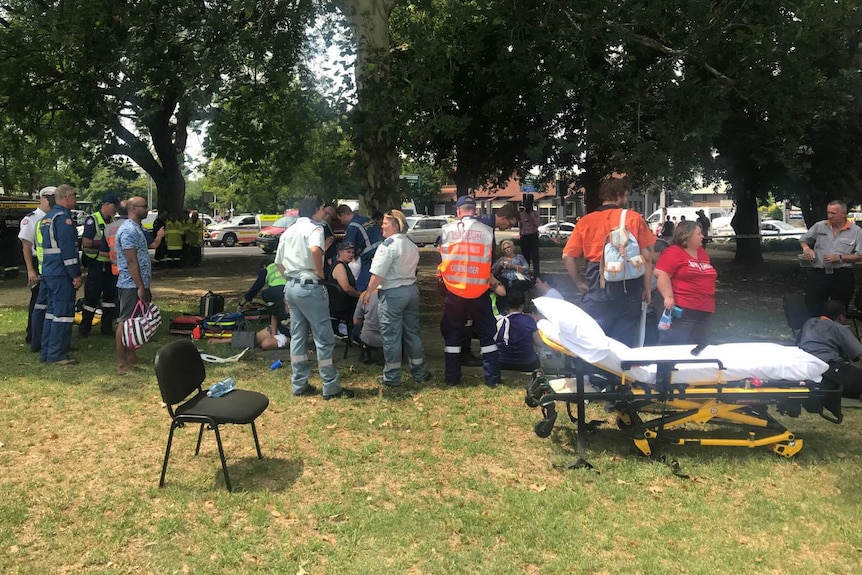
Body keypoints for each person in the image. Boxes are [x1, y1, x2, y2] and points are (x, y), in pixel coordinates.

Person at [562, 172, 654, 347]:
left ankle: (594, 373)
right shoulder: (634, 218)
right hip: (629, 286)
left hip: (597, 284)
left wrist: (579, 282)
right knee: (623, 341)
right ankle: (617, 374)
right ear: (619, 196)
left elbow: (567, 256)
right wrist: (647, 288)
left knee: (594, 339)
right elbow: (647, 257)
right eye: (626, 196)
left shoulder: (586, 221)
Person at [277, 195, 353, 399]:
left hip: (292, 287)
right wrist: (319, 272)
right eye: (323, 210)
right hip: (310, 287)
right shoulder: (315, 229)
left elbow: (278, 263)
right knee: (324, 338)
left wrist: (292, 277)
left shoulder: (289, 230)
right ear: (316, 210)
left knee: (298, 337)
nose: (325, 214)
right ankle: (331, 386)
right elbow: (314, 249)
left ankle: (299, 383)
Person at [438, 195, 501, 387]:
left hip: (454, 290)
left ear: (458, 211)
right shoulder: (487, 231)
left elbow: (443, 257)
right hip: (479, 289)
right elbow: (489, 258)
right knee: (486, 333)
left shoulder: (447, 230)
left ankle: (452, 378)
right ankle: (492, 379)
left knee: (453, 334)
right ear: (475, 210)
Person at [362, 210, 429, 387]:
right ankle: (420, 372)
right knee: (412, 334)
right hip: (411, 291)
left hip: (393, 294)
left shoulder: (388, 246)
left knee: (391, 336)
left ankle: (391, 377)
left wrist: (369, 292)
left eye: (385, 223)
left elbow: (377, 274)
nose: (382, 226)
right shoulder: (411, 244)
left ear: (395, 226)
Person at [39, 184, 83, 365]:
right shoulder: (63, 218)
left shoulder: (47, 218)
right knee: (63, 313)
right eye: (75, 196)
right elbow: (68, 249)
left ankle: (47, 351)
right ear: (67, 197)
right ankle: (57, 354)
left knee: (51, 312)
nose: (76, 200)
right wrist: (75, 274)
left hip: (49, 271)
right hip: (61, 273)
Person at [653, 220, 717, 345]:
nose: (702, 236)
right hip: (682, 308)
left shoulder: (702, 253)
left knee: (699, 345)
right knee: (674, 344)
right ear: (687, 236)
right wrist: (668, 297)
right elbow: (661, 273)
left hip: (704, 308)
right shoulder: (673, 252)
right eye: (698, 234)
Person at [799, 200, 862, 316]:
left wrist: (840, 257)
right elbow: (804, 240)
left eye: (834, 213)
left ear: (844, 213)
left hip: (841, 275)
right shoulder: (820, 226)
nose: (830, 216)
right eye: (828, 213)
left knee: (837, 308)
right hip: (819, 273)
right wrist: (806, 249)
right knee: (812, 305)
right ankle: (814, 331)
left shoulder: (856, 232)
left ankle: (834, 331)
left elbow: (860, 256)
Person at [114, 196, 155, 375]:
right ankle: (122, 363)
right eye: (144, 206)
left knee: (134, 322)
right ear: (132, 209)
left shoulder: (137, 228)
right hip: (130, 284)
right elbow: (131, 261)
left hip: (138, 283)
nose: (147, 209)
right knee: (125, 322)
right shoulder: (129, 230)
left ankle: (131, 355)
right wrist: (140, 286)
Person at [798, 300, 862, 399]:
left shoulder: (809, 323)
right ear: (841, 316)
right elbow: (859, 354)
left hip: (805, 366)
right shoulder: (838, 328)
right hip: (829, 366)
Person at [79, 193, 120, 337]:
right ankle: (84, 329)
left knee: (110, 298)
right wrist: (104, 243)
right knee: (92, 297)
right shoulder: (93, 220)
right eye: (114, 207)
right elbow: (86, 242)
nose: (115, 210)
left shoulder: (114, 221)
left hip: (110, 265)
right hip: (96, 263)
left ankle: (107, 328)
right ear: (106, 204)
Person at [18, 186, 54, 347]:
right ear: (42, 198)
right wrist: (30, 270)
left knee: (50, 301)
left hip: (50, 263)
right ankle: (32, 335)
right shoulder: (31, 218)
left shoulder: (54, 217)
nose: (51, 201)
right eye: (49, 198)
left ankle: (45, 335)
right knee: (37, 300)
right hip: (36, 263)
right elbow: (26, 246)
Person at [336, 204, 383, 291]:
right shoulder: (367, 220)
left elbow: (348, 247)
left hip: (370, 259)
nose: (341, 223)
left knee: (362, 288)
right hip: (382, 254)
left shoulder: (352, 227)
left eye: (340, 219)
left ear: (343, 215)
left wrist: (335, 260)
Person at [495, 291, 543, 372]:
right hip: (527, 363)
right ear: (522, 305)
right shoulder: (529, 320)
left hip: (502, 362)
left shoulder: (499, 319)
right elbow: (539, 343)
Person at [242, 260, 288, 336]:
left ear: (264, 266)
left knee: (266, 295)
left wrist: (241, 304)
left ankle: (275, 320)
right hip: (289, 290)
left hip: (275, 292)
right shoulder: (284, 265)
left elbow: (255, 288)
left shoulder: (267, 269)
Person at [326, 241, 359, 336]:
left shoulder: (344, 265)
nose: (351, 255)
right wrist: (360, 295)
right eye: (348, 252)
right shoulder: (339, 266)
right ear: (340, 252)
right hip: (344, 305)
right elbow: (346, 288)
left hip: (345, 303)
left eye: (353, 252)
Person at [353, 289, 383, 364]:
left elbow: (356, 321)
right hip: (390, 340)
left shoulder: (364, 295)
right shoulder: (399, 297)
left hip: (368, 337)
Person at [519, 196, 541, 276]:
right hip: (525, 237)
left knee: (535, 256)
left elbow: (537, 223)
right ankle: (526, 272)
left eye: (528, 205)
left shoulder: (535, 213)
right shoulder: (521, 214)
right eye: (525, 205)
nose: (527, 207)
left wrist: (531, 214)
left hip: (533, 236)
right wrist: (520, 234)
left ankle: (536, 273)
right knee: (525, 256)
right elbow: (520, 226)